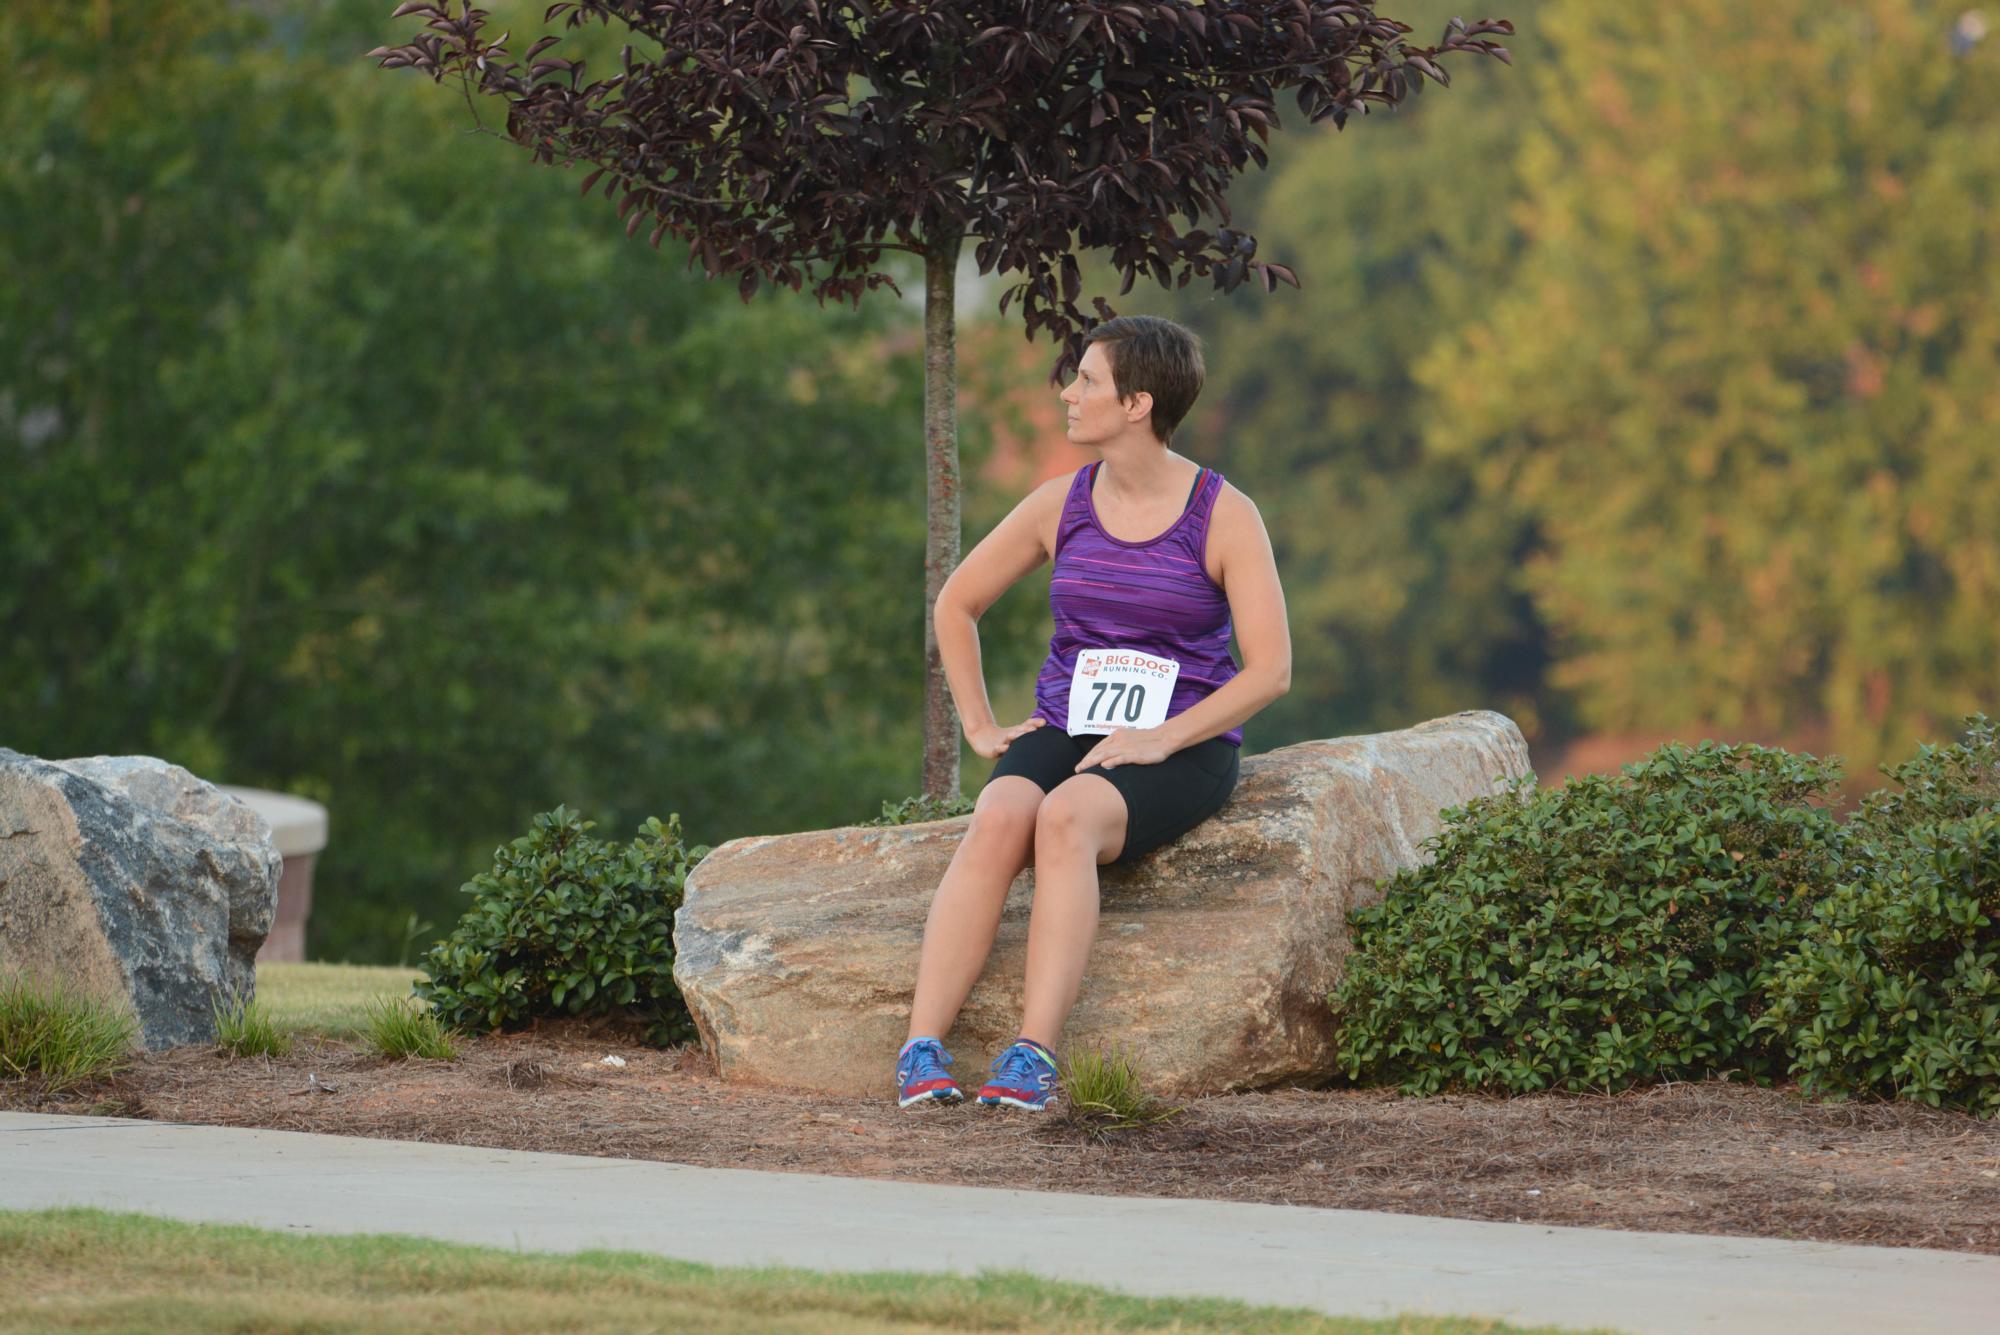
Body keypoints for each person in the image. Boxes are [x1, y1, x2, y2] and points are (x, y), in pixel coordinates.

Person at [895, 314, 1292, 1111]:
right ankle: (920, 1047)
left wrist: (1162, 737)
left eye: (1087, 381)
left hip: (1183, 744)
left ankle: (1031, 1055)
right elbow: (957, 603)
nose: (1069, 395)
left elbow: (1272, 671)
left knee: (1067, 818)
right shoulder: (1060, 503)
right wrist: (979, 724)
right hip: (1069, 724)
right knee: (1004, 808)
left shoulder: (1223, 514)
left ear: (1138, 402)